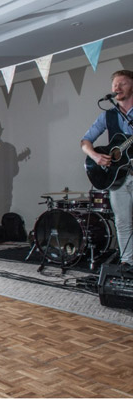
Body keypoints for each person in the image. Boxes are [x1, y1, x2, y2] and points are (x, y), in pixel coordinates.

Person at [82, 69, 133, 267]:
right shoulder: (107, 116)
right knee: (122, 222)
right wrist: (95, 156)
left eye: (123, 83)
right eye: (114, 85)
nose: (117, 88)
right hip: (117, 178)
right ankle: (128, 263)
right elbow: (85, 141)